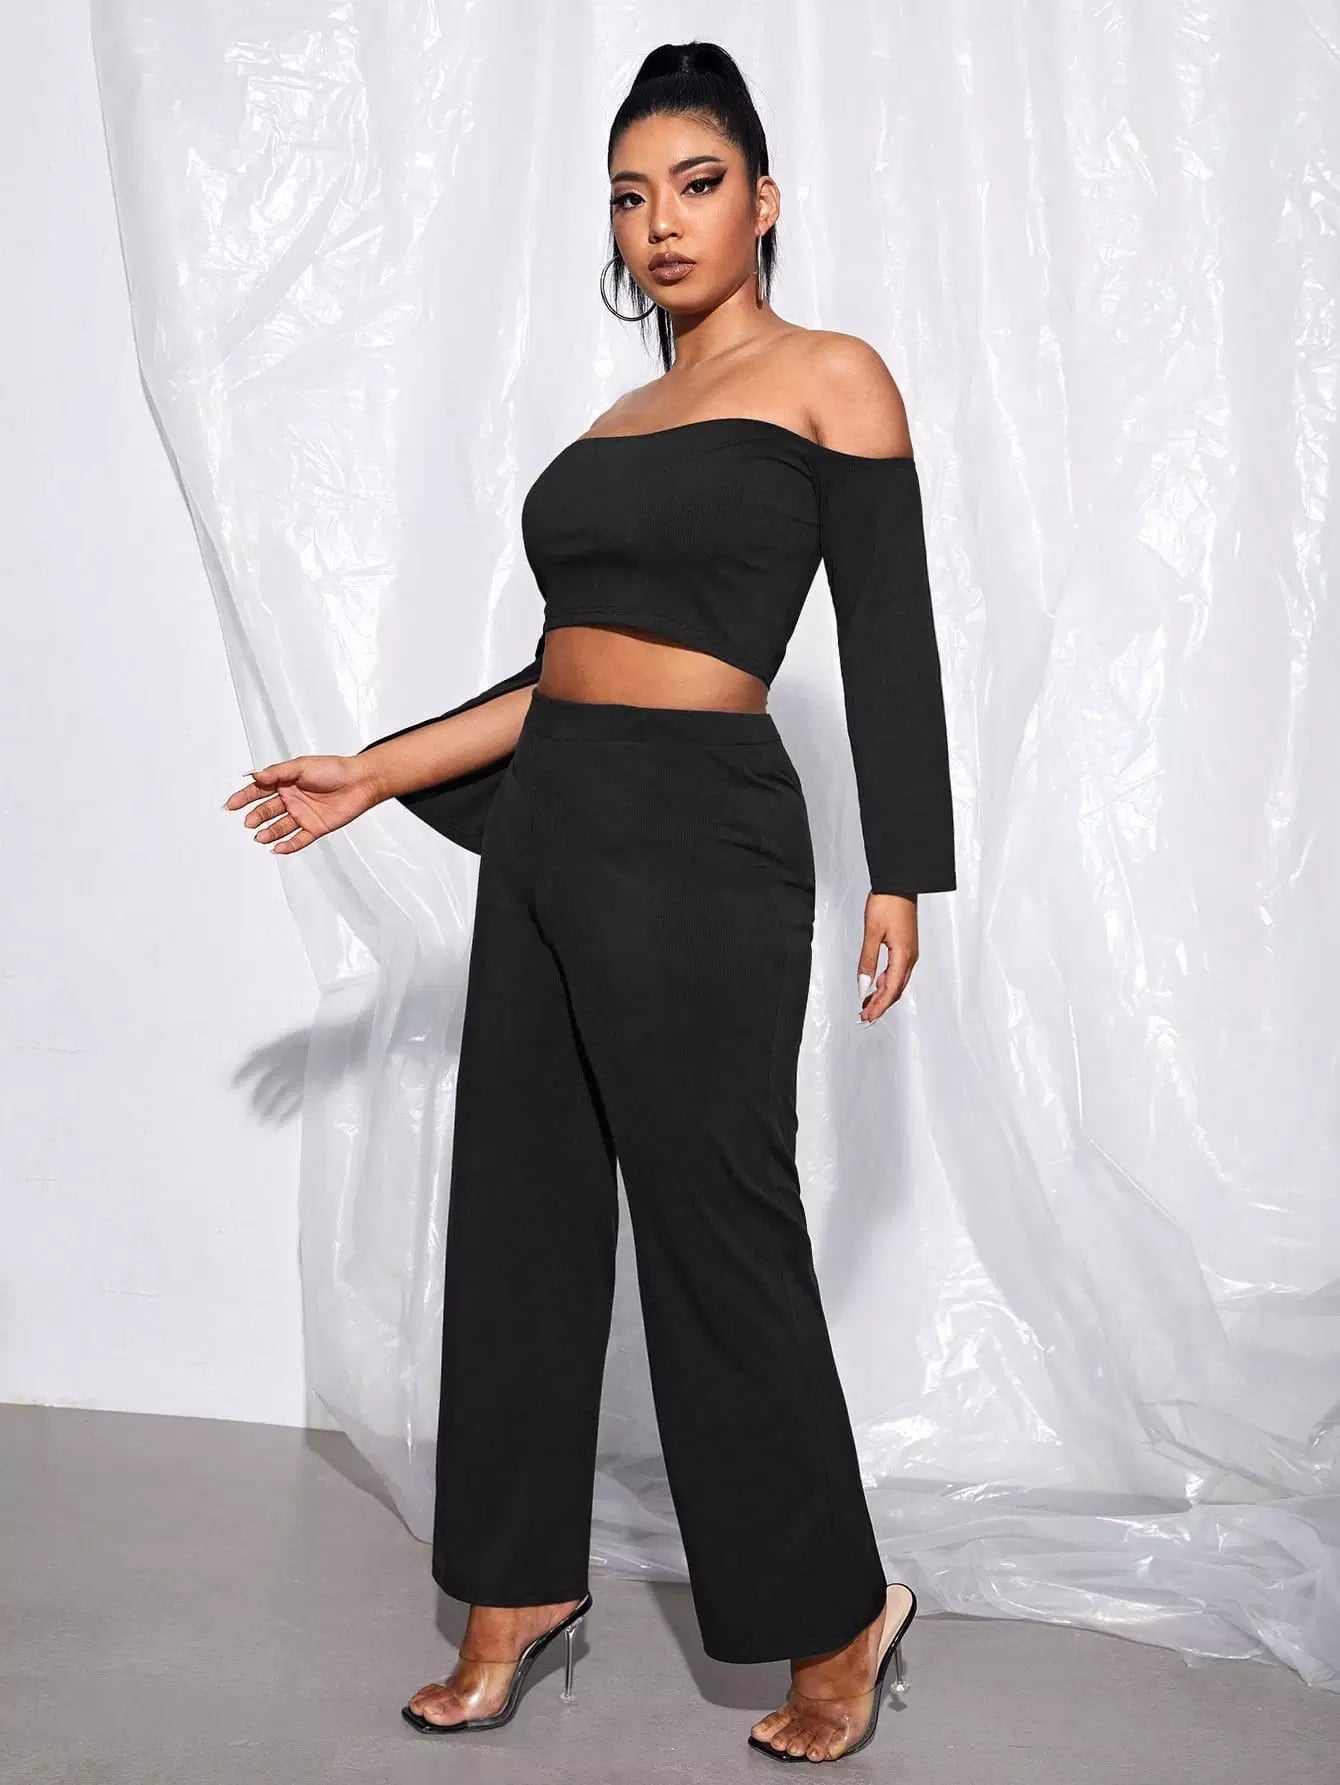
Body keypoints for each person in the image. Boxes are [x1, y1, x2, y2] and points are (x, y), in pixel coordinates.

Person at [225, 40, 953, 1767]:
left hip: (705, 832)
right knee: (522, 1209)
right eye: (632, 197)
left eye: (696, 184)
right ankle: (512, 1591)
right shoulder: (613, 428)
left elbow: (890, 632)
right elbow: (560, 671)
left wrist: (904, 868)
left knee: (718, 1225)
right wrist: (377, 770)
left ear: (763, 202)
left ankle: (839, 1611)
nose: (661, 222)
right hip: (555, 816)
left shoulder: (831, 378)